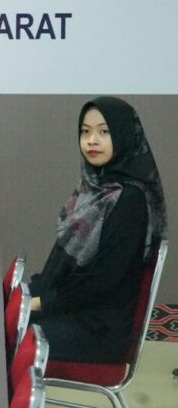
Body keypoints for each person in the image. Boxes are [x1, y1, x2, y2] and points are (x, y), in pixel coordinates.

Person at [28, 97, 167, 362]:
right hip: (75, 310)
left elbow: (101, 280)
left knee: (7, 334)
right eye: (85, 131)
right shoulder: (94, 188)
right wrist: (33, 293)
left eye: (104, 132)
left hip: (98, 329)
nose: (92, 140)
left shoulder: (130, 200)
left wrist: (40, 303)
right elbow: (64, 266)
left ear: (124, 136)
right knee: (2, 317)